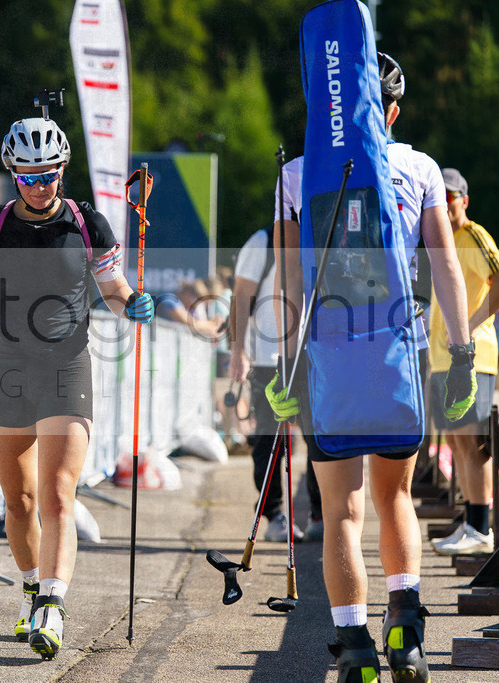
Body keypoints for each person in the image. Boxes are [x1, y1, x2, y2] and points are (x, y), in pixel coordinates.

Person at [267, 53, 473, 682]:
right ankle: (405, 621)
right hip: (399, 353)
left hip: (328, 358)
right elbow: (445, 266)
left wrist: (283, 366)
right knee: (396, 497)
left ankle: (354, 646)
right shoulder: (421, 169)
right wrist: (461, 357)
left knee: (340, 512)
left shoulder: (296, 175)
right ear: (392, 110)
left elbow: (288, 282)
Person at [0, 116, 154, 660]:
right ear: (13, 174)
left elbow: (114, 289)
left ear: (62, 170)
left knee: (57, 493)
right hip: (6, 369)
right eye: (28, 177)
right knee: (20, 501)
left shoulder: (87, 222)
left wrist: (132, 304)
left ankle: (53, 606)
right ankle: (32, 589)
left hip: (65, 369)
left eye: (48, 175)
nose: (38, 185)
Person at [228, 227, 322, 544]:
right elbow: (241, 297)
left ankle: (320, 513)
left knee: (319, 438)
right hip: (270, 359)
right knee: (270, 442)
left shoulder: (320, 232)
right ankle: (273, 514)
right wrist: (238, 352)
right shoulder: (263, 241)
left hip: (316, 356)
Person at [429, 168, 499, 556]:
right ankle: (472, 522)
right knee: (457, 444)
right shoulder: (443, 240)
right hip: (445, 359)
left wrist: (469, 327)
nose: (444, 204)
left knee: (473, 444)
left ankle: (481, 528)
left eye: (450, 197)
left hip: (472, 355)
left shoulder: (472, 235)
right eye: (438, 197)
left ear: (464, 201)